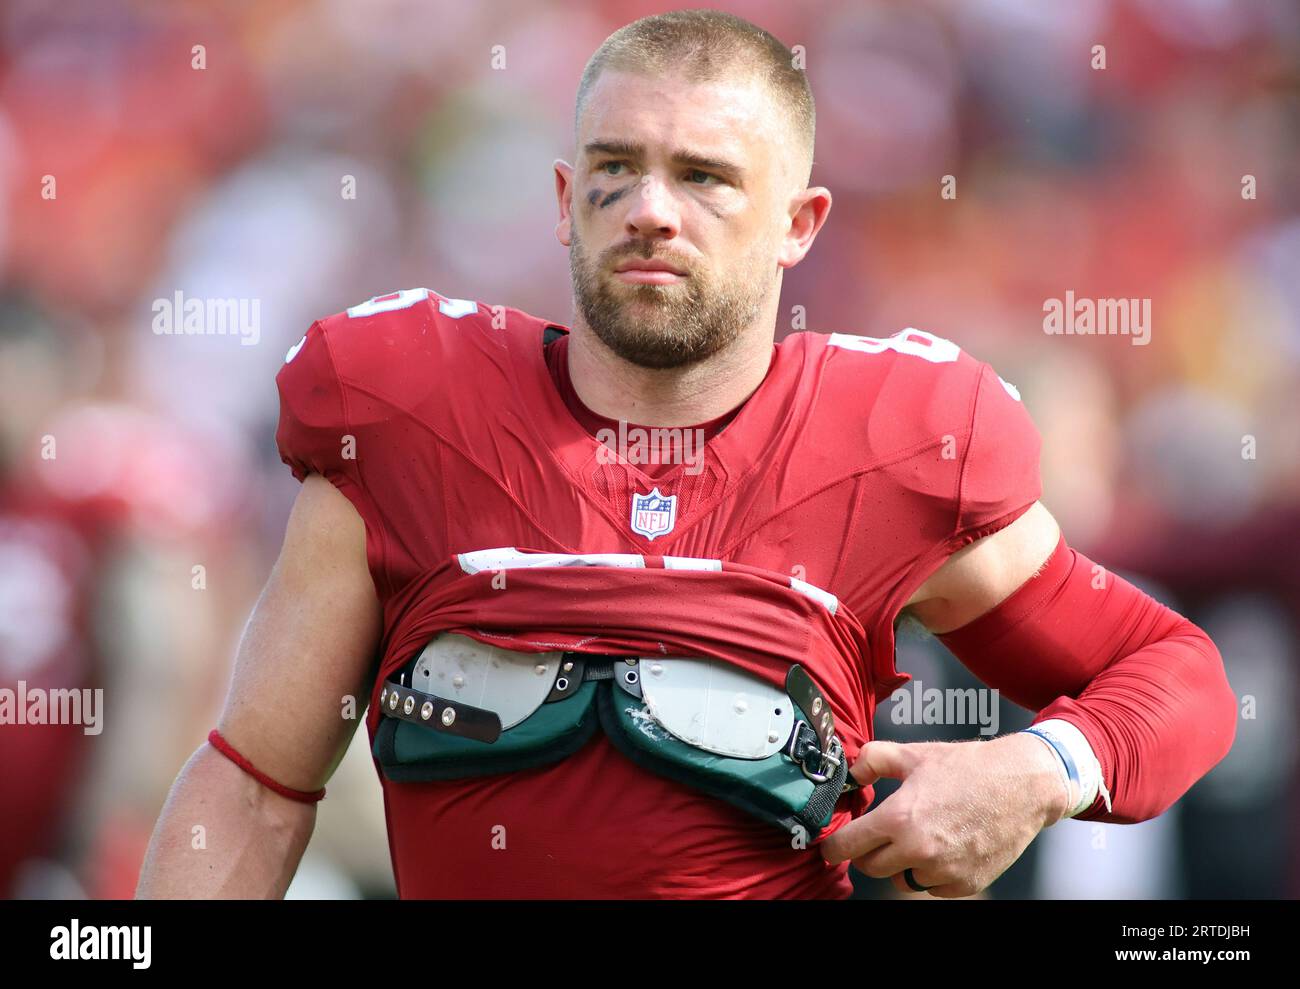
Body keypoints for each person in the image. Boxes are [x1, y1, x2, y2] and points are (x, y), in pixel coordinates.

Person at [137, 10, 1236, 900]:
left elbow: (1178, 674)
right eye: (616, 167)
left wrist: (1029, 769)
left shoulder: (901, 444)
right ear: (567, 201)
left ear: (798, 223)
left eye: (705, 176)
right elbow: (257, 786)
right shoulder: (410, 413)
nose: (651, 210)